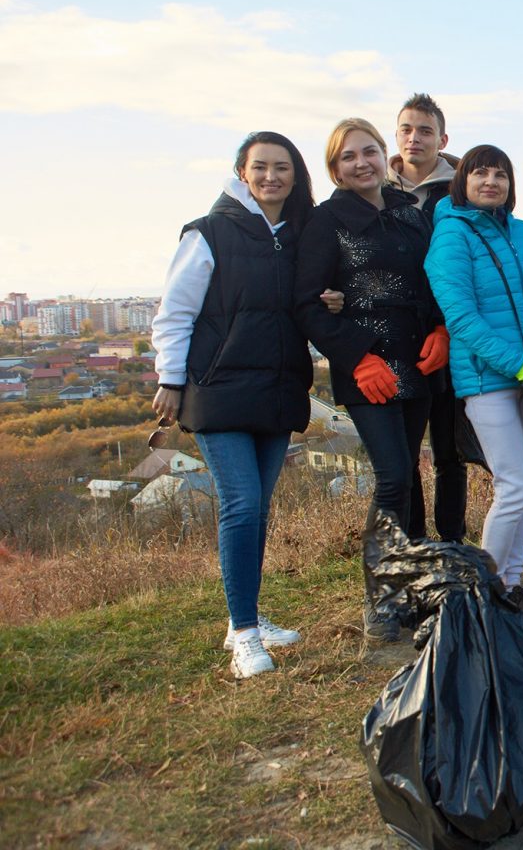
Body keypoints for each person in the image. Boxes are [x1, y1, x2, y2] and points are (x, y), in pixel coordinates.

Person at [151, 132, 323, 677]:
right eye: (261, 167)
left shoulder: (295, 237)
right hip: (216, 390)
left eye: (282, 167)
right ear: (241, 173)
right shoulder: (209, 234)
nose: (272, 176)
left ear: (296, 176)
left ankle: (243, 616)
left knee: (257, 508)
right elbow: (175, 312)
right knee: (241, 504)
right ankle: (246, 635)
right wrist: (169, 380)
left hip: (275, 391)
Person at [294, 118, 448, 642]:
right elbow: (307, 305)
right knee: (390, 477)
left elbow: (435, 280)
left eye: (369, 152)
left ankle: (417, 588)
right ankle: (380, 601)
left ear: (386, 156)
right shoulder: (325, 221)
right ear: (334, 169)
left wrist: (442, 329)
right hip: (368, 368)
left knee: (409, 477)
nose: (360, 163)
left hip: (418, 360)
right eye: (347, 157)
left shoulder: (413, 214)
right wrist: (355, 357)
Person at [426, 144, 523, 594]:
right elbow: (462, 317)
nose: (491, 182)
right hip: (488, 382)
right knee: (513, 485)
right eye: (480, 174)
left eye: (500, 175)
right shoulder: (451, 236)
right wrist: (520, 366)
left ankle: (511, 582)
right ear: (463, 182)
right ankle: (486, 587)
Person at [387, 93, 467, 542]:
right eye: (406, 129)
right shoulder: (375, 189)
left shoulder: (459, 192)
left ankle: (453, 541)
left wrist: (447, 324)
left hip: (450, 333)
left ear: (442, 139)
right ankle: (416, 543)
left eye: (425, 130)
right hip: (397, 339)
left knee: (449, 449)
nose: (414, 138)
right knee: (404, 451)